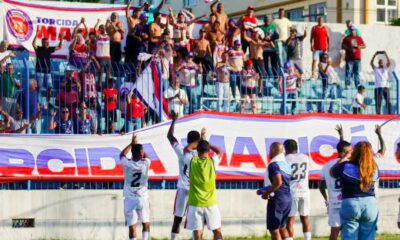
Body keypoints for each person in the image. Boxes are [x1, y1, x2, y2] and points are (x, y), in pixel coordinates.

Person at [330, 141, 379, 240]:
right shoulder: (374, 167)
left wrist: (344, 158)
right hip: (370, 204)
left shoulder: (345, 166)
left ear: (354, 152)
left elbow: (332, 172)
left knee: (349, 236)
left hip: (350, 203)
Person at [167, 111, 204, 240]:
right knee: (196, 221)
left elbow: (170, 136)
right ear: (198, 141)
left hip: (183, 188)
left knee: (177, 219)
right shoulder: (202, 155)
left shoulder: (181, 151)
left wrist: (174, 120)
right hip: (196, 190)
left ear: (188, 140)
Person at [319, 124, 352, 240]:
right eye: (349, 150)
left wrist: (326, 198)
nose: (351, 152)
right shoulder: (349, 164)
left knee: (334, 233)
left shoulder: (327, 165)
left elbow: (321, 185)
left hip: (334, 202)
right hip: (348, 201)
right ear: (345, 151)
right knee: (350, 231)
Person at [186, 140, 223, 240]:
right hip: (211, 202)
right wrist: (209, 145)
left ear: (197, 150)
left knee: (198, 233)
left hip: (195, 203)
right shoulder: (213, 161)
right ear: (208, 150)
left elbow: (186, 149)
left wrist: (198, 142)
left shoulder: (191, 161)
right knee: (217, 231)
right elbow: (220, 152)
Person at [120, 134, 151, 240]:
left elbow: (122, 155)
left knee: (132, 228)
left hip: (130, 199)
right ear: (141, 154)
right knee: (146, 223)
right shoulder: (146, 163)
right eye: (142, 152)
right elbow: (146, 156)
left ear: (132, 153)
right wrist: (136, 144)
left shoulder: (127, 163)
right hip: (142, 198)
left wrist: (132, 144)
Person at [263, 142, 292, 240]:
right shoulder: (286, 164)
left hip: (277, 199)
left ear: (273, 150)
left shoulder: (274, 164)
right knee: (282, 227)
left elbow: (278, 182)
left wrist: (266, 193)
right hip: (288, 198)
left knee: (274, 229)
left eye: (270, 149)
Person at [284, 139, 312, 240]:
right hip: (304, 192)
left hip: (292, 192)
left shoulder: (285, 159)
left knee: (290, 221)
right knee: (305, 219)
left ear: (286, 148)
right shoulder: (305, 158)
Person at [32, 26, 64, 104]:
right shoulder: (39, 48)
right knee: (38, 87)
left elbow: (60, 47)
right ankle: (37, 101)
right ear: (42, 43)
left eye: (48, 42)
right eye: (46, 42)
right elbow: (33, 44)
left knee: (49, 87)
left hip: (48, 71)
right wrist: (37, 34)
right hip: (39, 71)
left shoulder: (49, 49)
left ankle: (48, 101)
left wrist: (61, 38)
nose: (47, 43)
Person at [243, 29, 267, 94]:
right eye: (253, 33)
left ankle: (259, 91)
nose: (254, 35)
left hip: (260, 60)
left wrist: (265, 39)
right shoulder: (251, 41)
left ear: (259, 35)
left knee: (261, 76)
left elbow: (271, 45)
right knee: (250, 74)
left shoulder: (262, 42)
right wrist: (245, 29)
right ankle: (250, 89)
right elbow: (245, 37)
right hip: (253, 60)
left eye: (256, 33)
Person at [125, 0, 145, 64]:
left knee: (135, 56)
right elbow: (127, 11)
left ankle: (133, 71)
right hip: (130, 38)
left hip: (136, 39)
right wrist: (131, 2)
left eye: (140, 14)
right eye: (138, 13)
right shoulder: (130, 19)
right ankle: (126, 70)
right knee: (128, 55)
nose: (139, 14)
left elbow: (140, 10)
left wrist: (144, 6)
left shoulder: (139, 20)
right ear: (134, 13)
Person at [260, 16, 279, 80]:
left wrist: (270, 38)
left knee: (274, 63)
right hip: (264, 48)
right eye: (265, 19)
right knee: (265, 63)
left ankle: (275, 77)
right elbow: (258, 36)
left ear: (270, 20)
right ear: (263, 20)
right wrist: (263, 38)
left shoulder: (273, 26)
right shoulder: (261, 27)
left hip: (272, 48)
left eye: (268, 20)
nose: (267, 21)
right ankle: (266, 76)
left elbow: (277, 36)